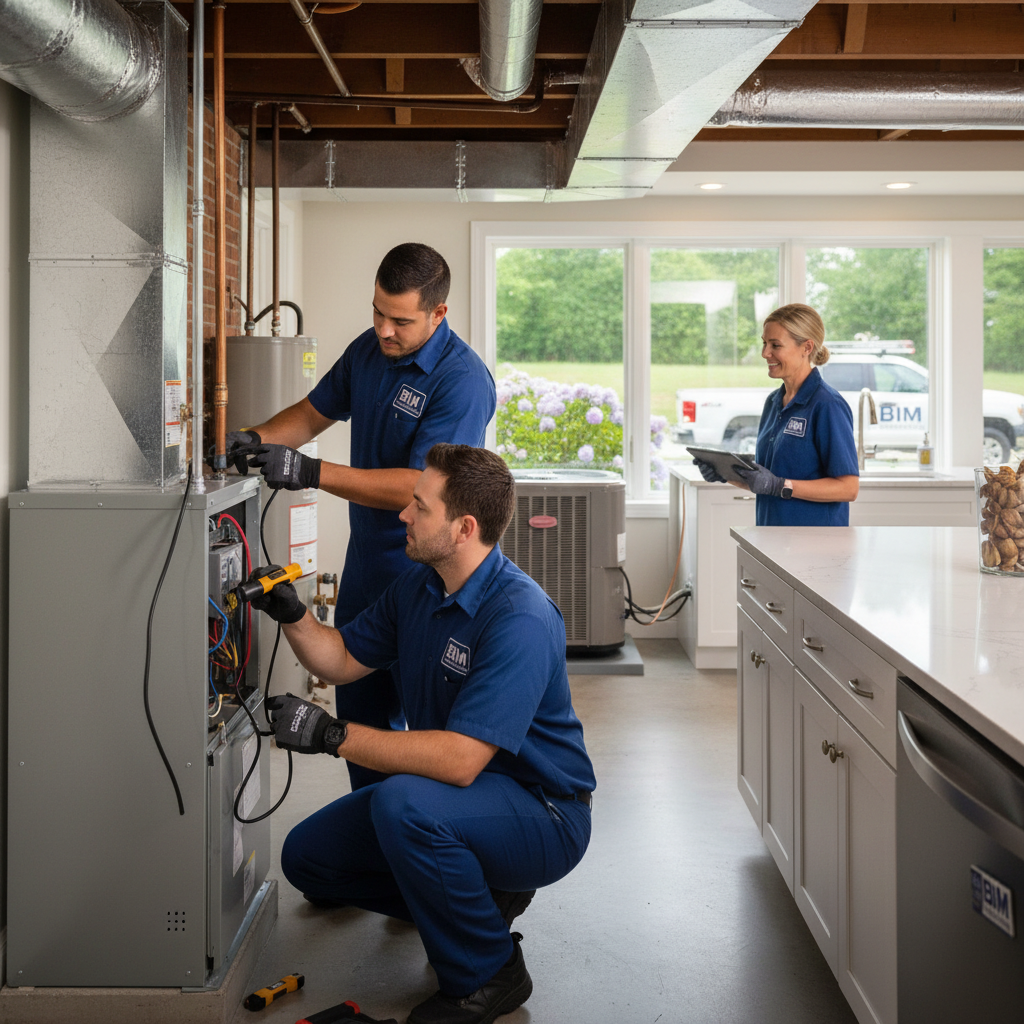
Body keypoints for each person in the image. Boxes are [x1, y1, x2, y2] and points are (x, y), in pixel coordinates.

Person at [249, 444, 595, 1024]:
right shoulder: (421, 586)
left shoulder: (520, 617)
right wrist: (291, 613)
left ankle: (487, 972)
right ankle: (478, 904)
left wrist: (331, 735)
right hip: (461, 796)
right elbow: (339, 659)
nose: (403, 516)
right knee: (309, 859)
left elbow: (460, 760)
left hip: (542, 810)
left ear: (464, 528)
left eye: (419, 506)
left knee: (405, 804)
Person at [229, 243, 496, 791]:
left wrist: (308, 473)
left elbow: (420, 485)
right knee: (361, 727)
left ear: (439, 314)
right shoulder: (370, 350)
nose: (384, 329)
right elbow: (310, 413)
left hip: (429, 577)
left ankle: (421, 851)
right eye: (377, 311)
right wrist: (254, 440)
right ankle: (373, 850)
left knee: (426, 737)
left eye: (401, 319)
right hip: (368, 572)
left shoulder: (462, 380)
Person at [694, 303, 859, 525]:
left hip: (816, 543)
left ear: (806, 347)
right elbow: (767, 481)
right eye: (764, 343)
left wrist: (780, 486)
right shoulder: (773, 402)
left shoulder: (827, 405)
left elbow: (848, 488)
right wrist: (726, 473)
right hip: (771, 535)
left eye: (775, 345)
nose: (765, 353)